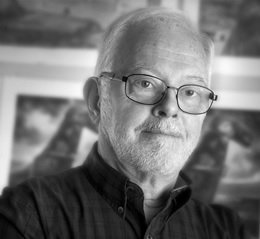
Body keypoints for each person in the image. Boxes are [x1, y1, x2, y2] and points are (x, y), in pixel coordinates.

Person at [0, 7, 247, 239]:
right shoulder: (27, 215)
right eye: (145, 83)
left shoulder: (225, 230)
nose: (170, 108)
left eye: (191, 91)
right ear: (97, 100)